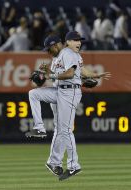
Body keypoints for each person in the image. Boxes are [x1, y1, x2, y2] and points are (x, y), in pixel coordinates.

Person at [26, 31, 111, 181]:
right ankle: (40, 130)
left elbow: (71, 73)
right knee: (34, 94)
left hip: (69, 92)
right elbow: (78, 71)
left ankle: (74, 166)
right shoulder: (57, 58)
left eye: (49, 48)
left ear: (58, 44)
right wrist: (47, 72)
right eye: (76, 40)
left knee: (65, 131)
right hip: (59, 91)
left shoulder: (68, 52)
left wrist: (50, 75)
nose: (48, 52)